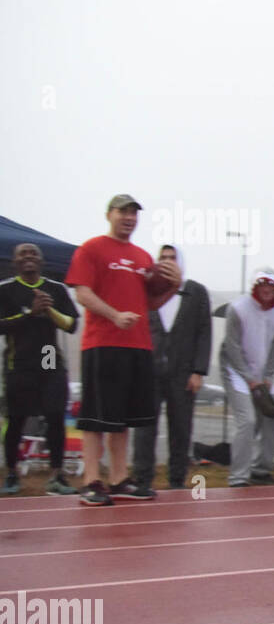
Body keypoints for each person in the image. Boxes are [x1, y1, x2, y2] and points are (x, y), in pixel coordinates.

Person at [64, 194, 180, 505]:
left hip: (138, 345)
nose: (129, 217)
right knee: (96, 418)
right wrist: (114, 315)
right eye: (123, 212)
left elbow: (149, 304)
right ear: (109, 214)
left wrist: (173, 286)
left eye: (133, 213)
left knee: (124, 418)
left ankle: (118, 478)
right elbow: (82, 294)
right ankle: (91, 481)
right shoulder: (91, 249)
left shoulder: (143, 257)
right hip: (103, 344)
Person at [1, 242, 80, 495]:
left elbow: (71, 325)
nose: (28, 257)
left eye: (34, 253)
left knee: (56, 416)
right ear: (14, 262)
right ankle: (12, 473)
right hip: (19, 362)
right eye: (22, 254)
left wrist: (49, 310)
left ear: (41, 261)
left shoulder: (55, 289)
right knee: (16, 420)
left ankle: (57, 476)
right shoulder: (5, 289)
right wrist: (30, 313)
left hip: (49, 359)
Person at [131, 244, 211, 490]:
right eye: (162, 257)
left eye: (172, 258)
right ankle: (142, 479)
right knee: (144, 429)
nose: (167, 261)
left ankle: (177, 479)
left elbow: (204, 332)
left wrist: (198, 371)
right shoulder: (147, 289)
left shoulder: (196, 292)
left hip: (183, 373)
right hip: (149, 371)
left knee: (180, 428)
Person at [220, 269, 274, 487]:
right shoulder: (237, 309)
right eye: (262, 285)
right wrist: (250, 379)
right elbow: (232, 347)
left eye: (271, 285)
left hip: (261, 373)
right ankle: (238, 476)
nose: (266, 289)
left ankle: (261, 470)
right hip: (235, 370)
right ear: (255, 287)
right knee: (248, 420)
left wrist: (268, 376)